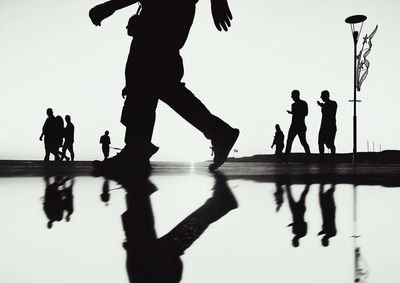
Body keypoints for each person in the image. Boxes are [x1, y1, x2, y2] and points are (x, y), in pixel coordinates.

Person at [89, 0, 239, 173]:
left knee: (152, 78)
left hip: (166, 10)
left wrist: (111, 6)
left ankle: (137, 149)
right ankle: (137, 148)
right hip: (167, 11)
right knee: (155, 82)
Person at [285, 90, 311, 160]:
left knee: (302, 141)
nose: (291, 97)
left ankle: (308, 156)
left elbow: (305, 113)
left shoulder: (302, 103)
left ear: (296, 95)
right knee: (290, 141)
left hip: (299, 125)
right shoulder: (294, 104)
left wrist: (293, 112)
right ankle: (286, 157)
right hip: (295, 125)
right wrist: (293, 113)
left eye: (292, 95)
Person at [317, 90, 337, 156]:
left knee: (330, 143)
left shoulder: (333, 103)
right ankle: (322, 157)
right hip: (324, 127)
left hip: (330, 127)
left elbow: (330, 111)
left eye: (322, 96)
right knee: (321, 142)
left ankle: (332, 157)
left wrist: (322, 105)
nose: (321, 97)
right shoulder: (327, 104)